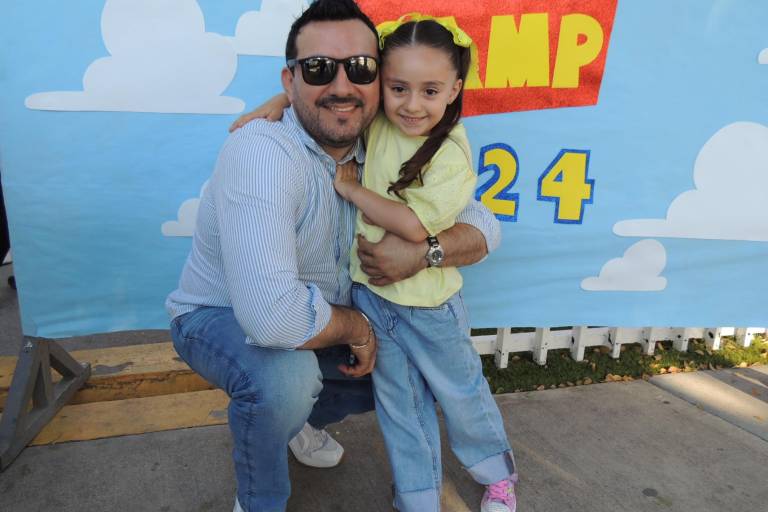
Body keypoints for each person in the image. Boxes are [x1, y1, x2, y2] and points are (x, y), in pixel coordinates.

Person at [165, 1, 501, 511]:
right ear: (291, 79)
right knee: (284, 381)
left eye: (360, 69)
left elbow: (484, 226)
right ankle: (259, 499)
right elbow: (272, 319)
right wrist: (360, 329)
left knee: (413, 364)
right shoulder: (263, 154)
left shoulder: (382, 137)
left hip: (318, 314)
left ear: (379, 81)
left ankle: (300, 423)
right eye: (319, 69)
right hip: (220, 314)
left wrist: (423, 253)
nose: (342, 86)